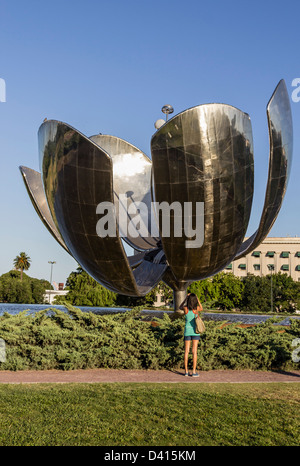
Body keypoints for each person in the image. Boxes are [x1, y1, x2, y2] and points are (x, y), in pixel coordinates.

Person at [179, 293, 203, 377]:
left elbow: (179, 307)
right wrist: (197, 298)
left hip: (187, 332)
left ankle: (186, 371)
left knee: (186, 351)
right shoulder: (196, 309)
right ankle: (193, 371)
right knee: (194, 351)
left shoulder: (185, 309)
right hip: (195, 332)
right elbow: (202, 308)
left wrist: (186, 298)